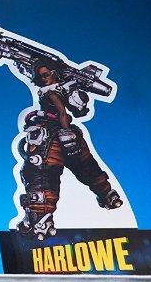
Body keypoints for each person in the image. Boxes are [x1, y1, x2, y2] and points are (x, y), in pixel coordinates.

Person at [15, 61, 122, 238]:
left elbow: (63, 112)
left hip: (52, 136)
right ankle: (108, 195)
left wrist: (65, 132)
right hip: (61, 134)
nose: (43, 78)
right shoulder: (60, 89)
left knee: (41, 173)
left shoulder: (53, 92)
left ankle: (40, 219)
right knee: (85, 166)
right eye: (40, 76)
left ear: (54, 73)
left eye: (46, 74)